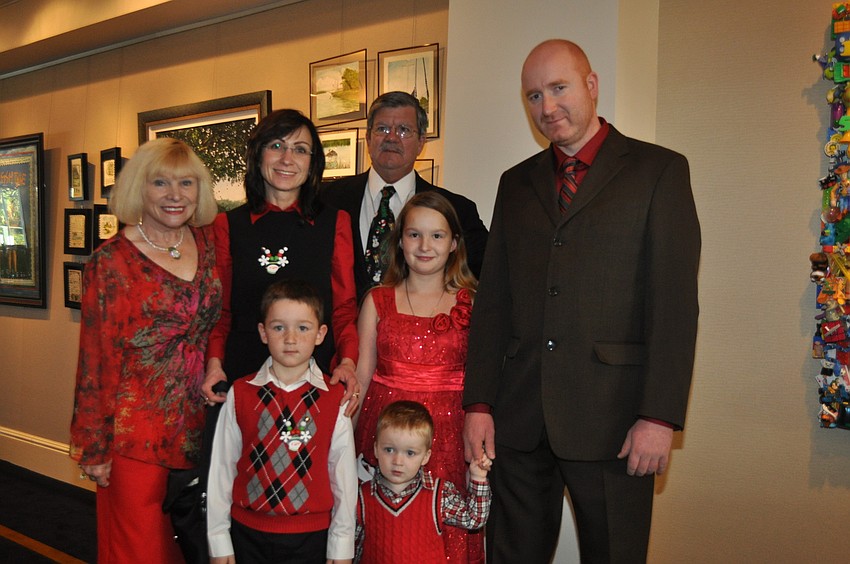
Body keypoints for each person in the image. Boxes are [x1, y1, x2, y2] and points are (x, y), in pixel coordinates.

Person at [462, 39, 701, 563]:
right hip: (519, 421)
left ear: (591, 86)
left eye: (559, 88)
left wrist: (659, 416)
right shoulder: (515, 183)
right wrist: (478, 403)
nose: (547, 108)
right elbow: (494, 301)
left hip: (615, 423)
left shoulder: (659, 172)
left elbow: (675, 305)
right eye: (533, 96)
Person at [69, 137, 221, 563]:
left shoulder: (208, 245)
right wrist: (94, 447)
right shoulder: (110, 262)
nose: (175, 195)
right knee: (139, 552)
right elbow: (95, 360)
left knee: (195, 551)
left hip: (203, 427)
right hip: (136, 439)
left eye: (186, 184)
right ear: (139, 188)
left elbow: (219, 324)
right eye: (161, 183)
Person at [354, 191, 484, 562]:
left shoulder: (472, 302)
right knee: (385, 537)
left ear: (454, 244)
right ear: (399, 242)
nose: (425, 245)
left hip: (450, 437)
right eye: (414, 234)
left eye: (437, 235)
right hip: (386, 434)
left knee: (445, 537)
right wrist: (342, 447)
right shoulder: (377, 300)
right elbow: (362, 377)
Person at [203, 109, 359, 411]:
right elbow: (220, 313)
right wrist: (214, 365)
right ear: (258, 155)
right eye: (276, 146)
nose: (287, 159)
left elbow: (342, 310)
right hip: (243, 376)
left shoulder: (335, 223)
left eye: (300, 149)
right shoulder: (227, 226)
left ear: (312, 163)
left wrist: (348, 361)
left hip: (314, 376)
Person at [207, 279, 357, 563]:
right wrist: (218, 540)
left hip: (311, 539)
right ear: (263, 332)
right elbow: (221, 470)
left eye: (303, 328)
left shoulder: (334, 398)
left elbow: (344, 478)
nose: (291, 338)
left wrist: (342, 547)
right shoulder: (241, 392)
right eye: (279, 327)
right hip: (247, 535)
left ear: (320, 334)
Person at [320, 91, 488, 302]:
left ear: (421, 142)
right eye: (382, 129)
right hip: (338, 333)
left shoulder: (457, 210)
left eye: (403, 130)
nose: (391, 137)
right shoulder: (326, 200)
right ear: (368, 137)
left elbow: (484, 281)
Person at [355, 401, 492, 564]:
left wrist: (478, 478)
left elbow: (474, 519)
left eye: (410, 453)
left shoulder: (439, 494)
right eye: (389, 450)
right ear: (376, 449)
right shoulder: (361, 498)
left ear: (426, 457)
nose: (398, 461)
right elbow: (354, 549)